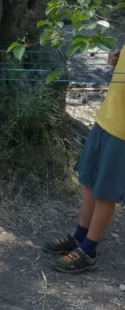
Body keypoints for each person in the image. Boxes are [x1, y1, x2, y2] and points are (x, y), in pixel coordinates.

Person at [42, 46, 125, 273]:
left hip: (122, 135)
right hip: (105, 121)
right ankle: (79, 236)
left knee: (105, 192)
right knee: (90, 181)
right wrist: (117, 60)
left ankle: (88, 251)